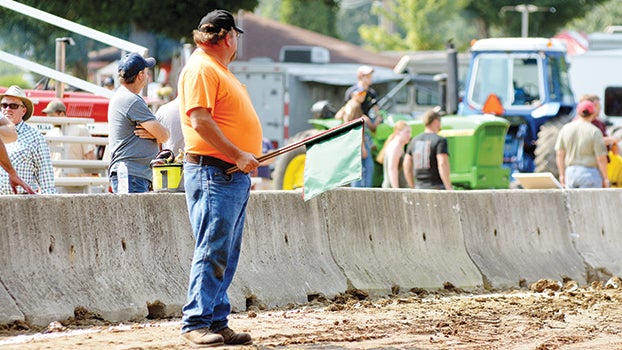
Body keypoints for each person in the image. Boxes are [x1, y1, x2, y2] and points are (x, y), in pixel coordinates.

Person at [177, 9, 261, 347]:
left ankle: (215, 318)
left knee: (225, 250)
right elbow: (199, 120)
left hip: (227, 174)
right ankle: (195, 321)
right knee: (213, 248)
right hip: (215, 171)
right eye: (236, 36)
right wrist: (239, 154)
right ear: (228, 37)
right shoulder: (202, 68)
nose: (236, 42)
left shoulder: (215, 69)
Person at [107, 52, 170, 193]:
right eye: (146, 73)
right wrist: (156, 135)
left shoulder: (123, 96)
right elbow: (165, 135)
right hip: (132, 175)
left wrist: (153, 134)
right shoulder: (131, 100)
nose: (147, 77)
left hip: (131, 174)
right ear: (140, 75)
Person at [0, 85, 56, 194]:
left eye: (13, 106)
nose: (7, 109)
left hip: (22, 202)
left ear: (23, 111)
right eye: (4, 105)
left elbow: (46, 179)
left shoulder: (35, 137)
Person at [555, 100, 609, 188]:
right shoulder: (594, 131)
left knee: (572, 202)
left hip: (570, 174)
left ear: (578, 112)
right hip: (590, 174)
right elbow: (601, 158)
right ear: (593, 113)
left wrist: (562, 175)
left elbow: (559, 154)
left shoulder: (565, 129)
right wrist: (605, 178)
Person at [42, 99, 96, 179]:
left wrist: (86, 180)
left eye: (52, 116)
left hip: (76, 182)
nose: (50, 120)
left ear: (62, 115)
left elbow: (89, 155)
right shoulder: (50, 133)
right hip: (56, 180)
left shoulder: (80, 129)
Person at [403, 108, 453, 190]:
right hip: (437, 187)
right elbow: (442, 163)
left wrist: (412, 186)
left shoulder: (414, 140)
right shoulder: (440, 140)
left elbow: (406, 164)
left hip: (419, 186)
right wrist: (449, 187)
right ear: (436, 121)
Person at [378, 120, 411, 188]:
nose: (409, 135)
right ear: (398, 132)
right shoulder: (395, 146)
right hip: (392, 188)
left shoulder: (398, 145)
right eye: (407, 132)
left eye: (410, 132)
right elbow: (392, 168)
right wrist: (396, 189)